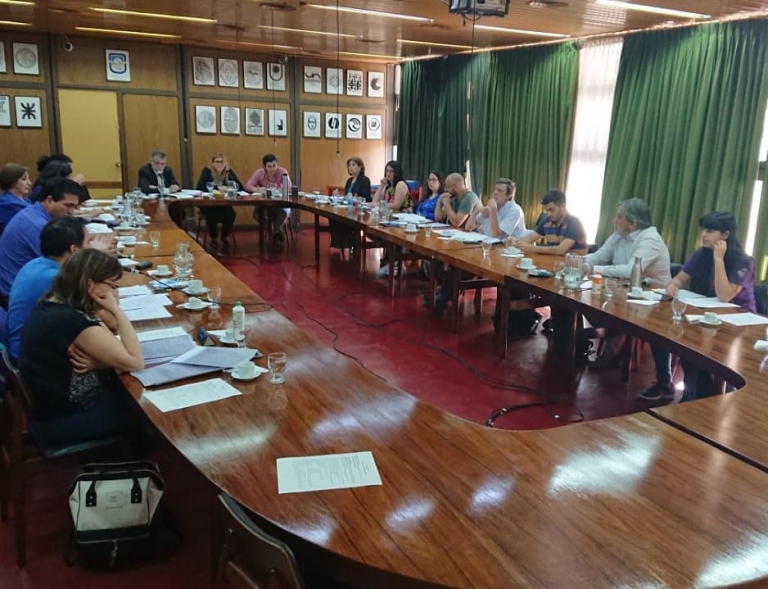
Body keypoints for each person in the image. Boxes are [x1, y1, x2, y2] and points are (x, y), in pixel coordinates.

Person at [18, 248, 145, 446]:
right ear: (90, 285)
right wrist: (117, 310)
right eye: (112, 286)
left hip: (51, 407)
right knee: (146, 413)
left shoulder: (53, 302)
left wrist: (102, 363)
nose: (115, 293)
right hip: (66, 418)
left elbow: (108, 338)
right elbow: (135, 362)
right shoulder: (72, 322)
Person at [641, 212, 755, 402]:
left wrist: (718, 259)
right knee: (661, 332)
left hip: (738, 323)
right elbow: (678, 279)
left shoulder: (743, 261)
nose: (704, 234)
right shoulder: (701, 254)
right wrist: (673, 286)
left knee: (697, 351)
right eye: (703, 230)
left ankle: (701, 396)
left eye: (710, 231)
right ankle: (672, 385)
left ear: (725, 235)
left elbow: (725, 295)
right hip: (706, 316)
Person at [585, 199, 672, 369]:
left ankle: (615, 346)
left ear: (633, 224)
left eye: (619, 217)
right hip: (624, 294)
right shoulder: (619, 235)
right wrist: (576, 263)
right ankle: (614, 341)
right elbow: (598, 256)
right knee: (587, 303)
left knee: (604, 308)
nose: (614, 220)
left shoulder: (650, 239)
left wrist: (593, 269)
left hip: (653, 302)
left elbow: (630, 271)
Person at [7, 217, 96, 359]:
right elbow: (93, 314)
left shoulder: (35, 263)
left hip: (27, 345)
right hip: (31, 357)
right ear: (74, 250)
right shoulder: (55, 278)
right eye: (89, 242)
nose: (92, 248)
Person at [0, 177, 83, 302]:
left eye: (75, 207)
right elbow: (68, 265)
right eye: (68, 205)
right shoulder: (37, 225)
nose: (72, 212)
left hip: (21, 284)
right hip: (13, 294)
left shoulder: (34, 213)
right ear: (49, 200)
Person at [511, 189, 587, 255]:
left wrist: (531, 248)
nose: (548, 214)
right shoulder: (547, 221)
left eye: (551, 210)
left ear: (562, 206)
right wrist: (515, 242)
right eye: (546, 210)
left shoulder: (574, 223)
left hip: (572, 264)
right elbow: (529, 239)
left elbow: (560, 250)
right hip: (553, 261)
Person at [195, 153, 243, 251]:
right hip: (208, 203)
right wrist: (218, 188)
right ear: (212, 163)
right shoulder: (207, 171)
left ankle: (224, 236)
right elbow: (200, 187)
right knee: (212, 213)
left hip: (224, 203)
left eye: (222, 162)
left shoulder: (228, 172)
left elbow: (240, 187)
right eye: (217, 162)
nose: (220, 164)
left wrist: (230, 184)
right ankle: (213, 237)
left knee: (230, 214)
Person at [245, 153, 292, 246]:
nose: (272, 169)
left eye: (274, 165)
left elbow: (289, 187)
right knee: (256, 214)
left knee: (282, 213)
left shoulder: (282, 171)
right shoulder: (259, 172)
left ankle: (274, 232)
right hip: (265, 204)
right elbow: (247, 186)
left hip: (280, 203)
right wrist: (258, 189)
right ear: (264, 167)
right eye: (269, 166)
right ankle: (276, 230)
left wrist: (277, 190)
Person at [329, 157, 371, 251]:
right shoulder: (349, 181)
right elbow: (347, 196)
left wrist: (356, 198)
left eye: (353, 165)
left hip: (359, 212)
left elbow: (367, 198)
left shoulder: (364, 180)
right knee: (333, 217)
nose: (350, 167)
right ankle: (340, 243)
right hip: (348, 209)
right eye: (349, 165)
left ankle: (350, 242)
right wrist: (338, 196)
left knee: (342, 220)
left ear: (360, 167)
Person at [0, 163, 33, 231]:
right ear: (12, 181)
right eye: (24, 179)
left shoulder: (25, 200)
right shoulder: (7, 204)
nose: (29, 183)